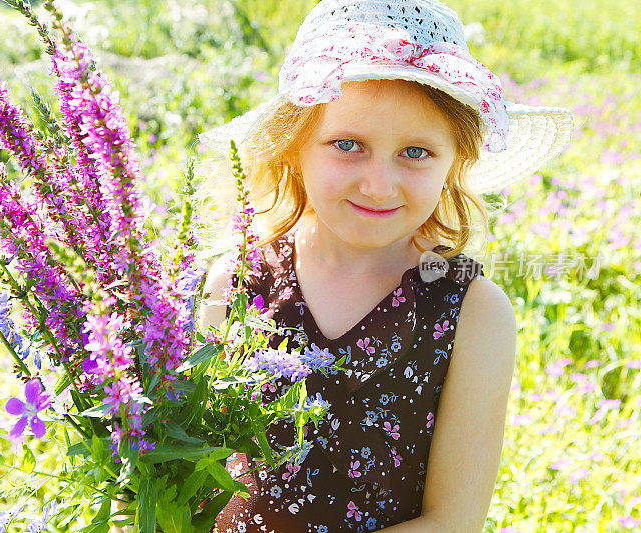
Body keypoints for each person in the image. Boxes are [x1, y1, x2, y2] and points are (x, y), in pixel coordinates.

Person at [196, 0, 575, 531]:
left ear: (454, 165)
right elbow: (191, 471)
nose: (378, 185)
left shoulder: (470, 312)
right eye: (348, 145)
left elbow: (454, 520)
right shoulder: (235, 282)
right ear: (293, 146)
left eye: (416, 152)